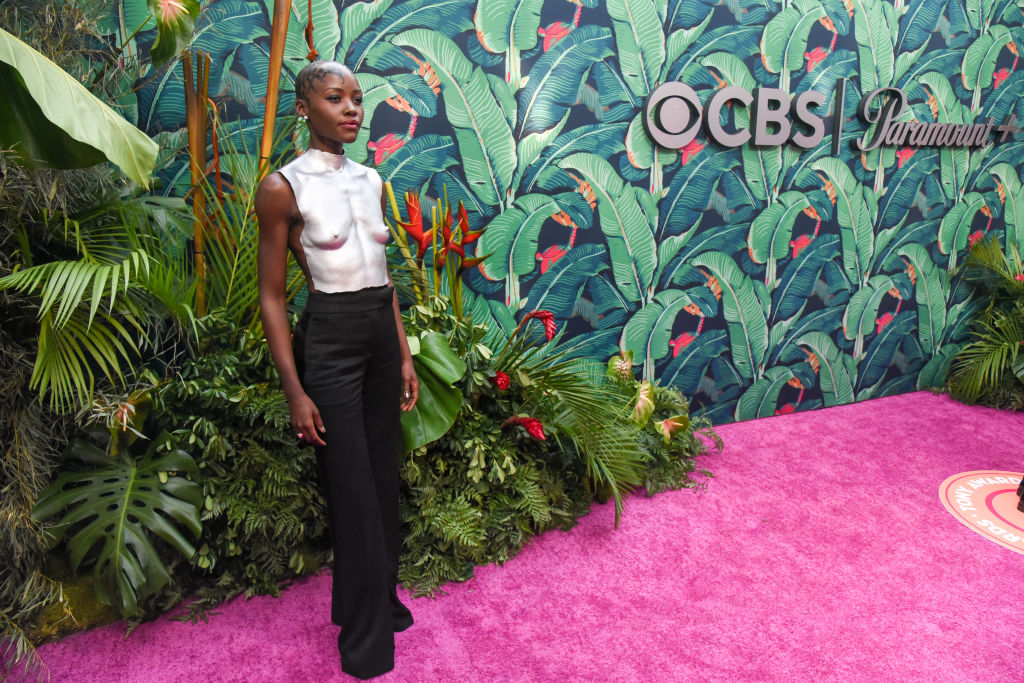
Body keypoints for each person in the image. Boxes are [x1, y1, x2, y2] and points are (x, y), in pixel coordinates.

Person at [255, 60, 417, 680]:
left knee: (381, 480)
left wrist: (402, 354)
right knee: (350, 490)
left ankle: (375, 598)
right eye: (334, 98)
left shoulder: (372, 180)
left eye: (356, 99)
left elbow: (385, 280)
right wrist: (294, 388)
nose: (351, 109)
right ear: (305, 108)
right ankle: (367, 642)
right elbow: (272, 296)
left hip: (379, 335)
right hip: (331, 343)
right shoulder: (283, 188)